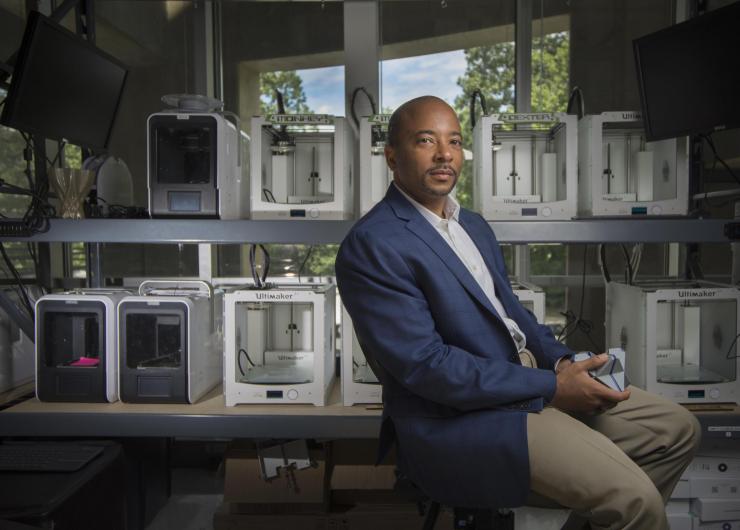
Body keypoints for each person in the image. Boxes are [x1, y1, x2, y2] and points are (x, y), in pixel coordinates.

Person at [335, 95, 701, 529]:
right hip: (463, 419)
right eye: (425, 141)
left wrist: (566, 362)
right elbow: (428, 368)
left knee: (678, 429)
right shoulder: (372, 244)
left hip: (526, 387)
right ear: (391, 156)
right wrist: (551, 387)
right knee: (636, 501)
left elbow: (515, 318)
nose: (444, 154)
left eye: (453, 142)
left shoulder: (472, 225)